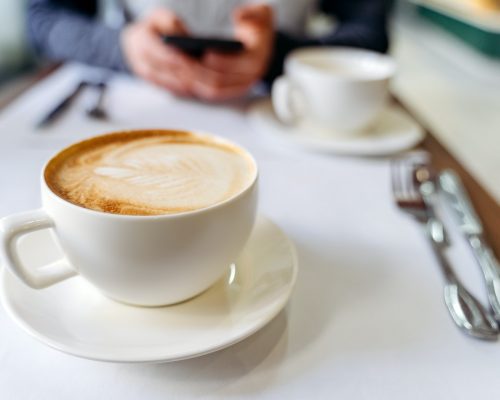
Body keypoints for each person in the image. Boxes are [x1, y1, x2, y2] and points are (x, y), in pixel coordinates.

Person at [27, 0, 390, 101]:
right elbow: (43, 17)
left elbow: (372, 34)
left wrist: (278, 55)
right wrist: (122, 46)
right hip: (133, 101)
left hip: (285, 107)